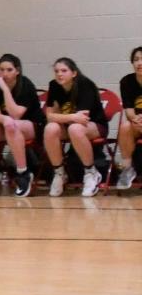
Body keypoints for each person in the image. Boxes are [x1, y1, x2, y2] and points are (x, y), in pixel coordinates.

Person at [0, 54, 45, 197]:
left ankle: (23, 172)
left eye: (9, 70)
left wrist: (5, 90)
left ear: (17, 71)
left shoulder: (26, 85)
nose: (4, 74)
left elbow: (16, 114)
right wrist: (4, 119)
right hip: (10, 126)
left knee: (11, 124)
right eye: (1, 70)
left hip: (32, 125)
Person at [44, 57, 107, 197]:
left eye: (64, 70)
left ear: (74, 73)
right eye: (56, 71)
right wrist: (71, 116)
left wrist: (63, 117)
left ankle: (91, 172)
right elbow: (49, 116)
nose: (59, 74)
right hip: (70, 124)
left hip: (95, 125)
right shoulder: (54, 85)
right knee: (50, 129)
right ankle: (59, 173)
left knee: (75, 129)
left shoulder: (85, 85)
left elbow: (82, 119)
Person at [114, 46, 142, 190]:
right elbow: (129, 111)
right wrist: (136, 119)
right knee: (125, 126)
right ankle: (127, 168)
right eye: (136, 60)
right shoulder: (126, 81)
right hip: (138, 123)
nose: (139, 63)